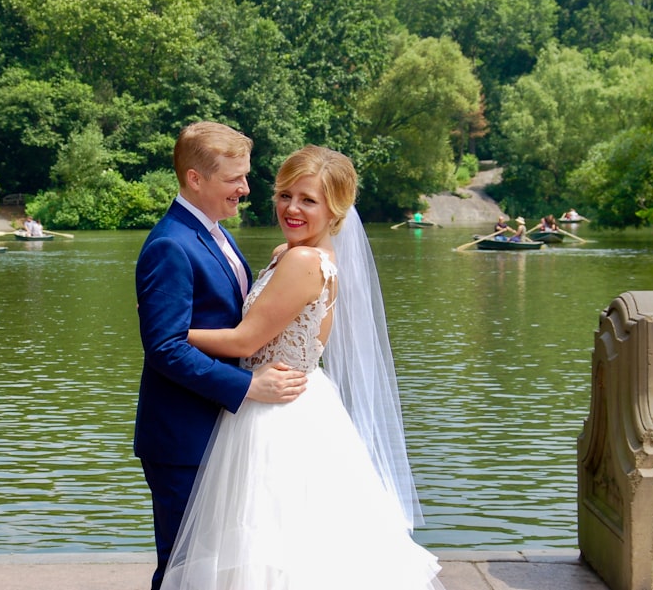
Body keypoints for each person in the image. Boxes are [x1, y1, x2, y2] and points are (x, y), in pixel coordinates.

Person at [161, 145, 443, 590]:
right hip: (286, 398)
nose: (291, 208)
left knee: (275, 551)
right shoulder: (297, 252)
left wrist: (171, 333)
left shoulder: (303, 261)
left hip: (278, 413)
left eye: (308, 200)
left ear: (336, 209)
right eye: (285, 195)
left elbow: (244, 340)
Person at [135, 121, 309, 590]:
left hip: (223, 432)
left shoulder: (218, 235)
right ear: (196, 179)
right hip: (182, 438)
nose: (246, 188)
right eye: (235, 178)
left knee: (218, 568)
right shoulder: (171, 245)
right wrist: (249, 386)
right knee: (182, 570)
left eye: (246, 176)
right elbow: (165, 348)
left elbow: (235, 323)